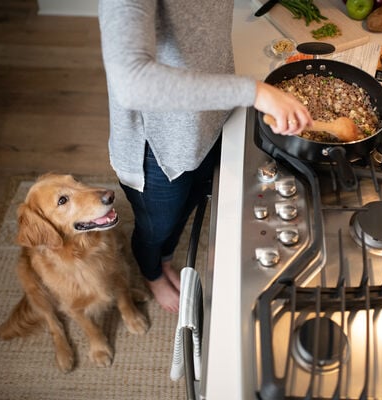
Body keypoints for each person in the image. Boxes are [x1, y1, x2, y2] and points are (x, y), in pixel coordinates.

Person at [98, 0, 312, 313]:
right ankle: (152, 273)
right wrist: (255, 92)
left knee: (189, 204)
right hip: (159, 146)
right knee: (156, 228)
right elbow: (132, 83)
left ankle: (165, 258)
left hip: (211, 117)